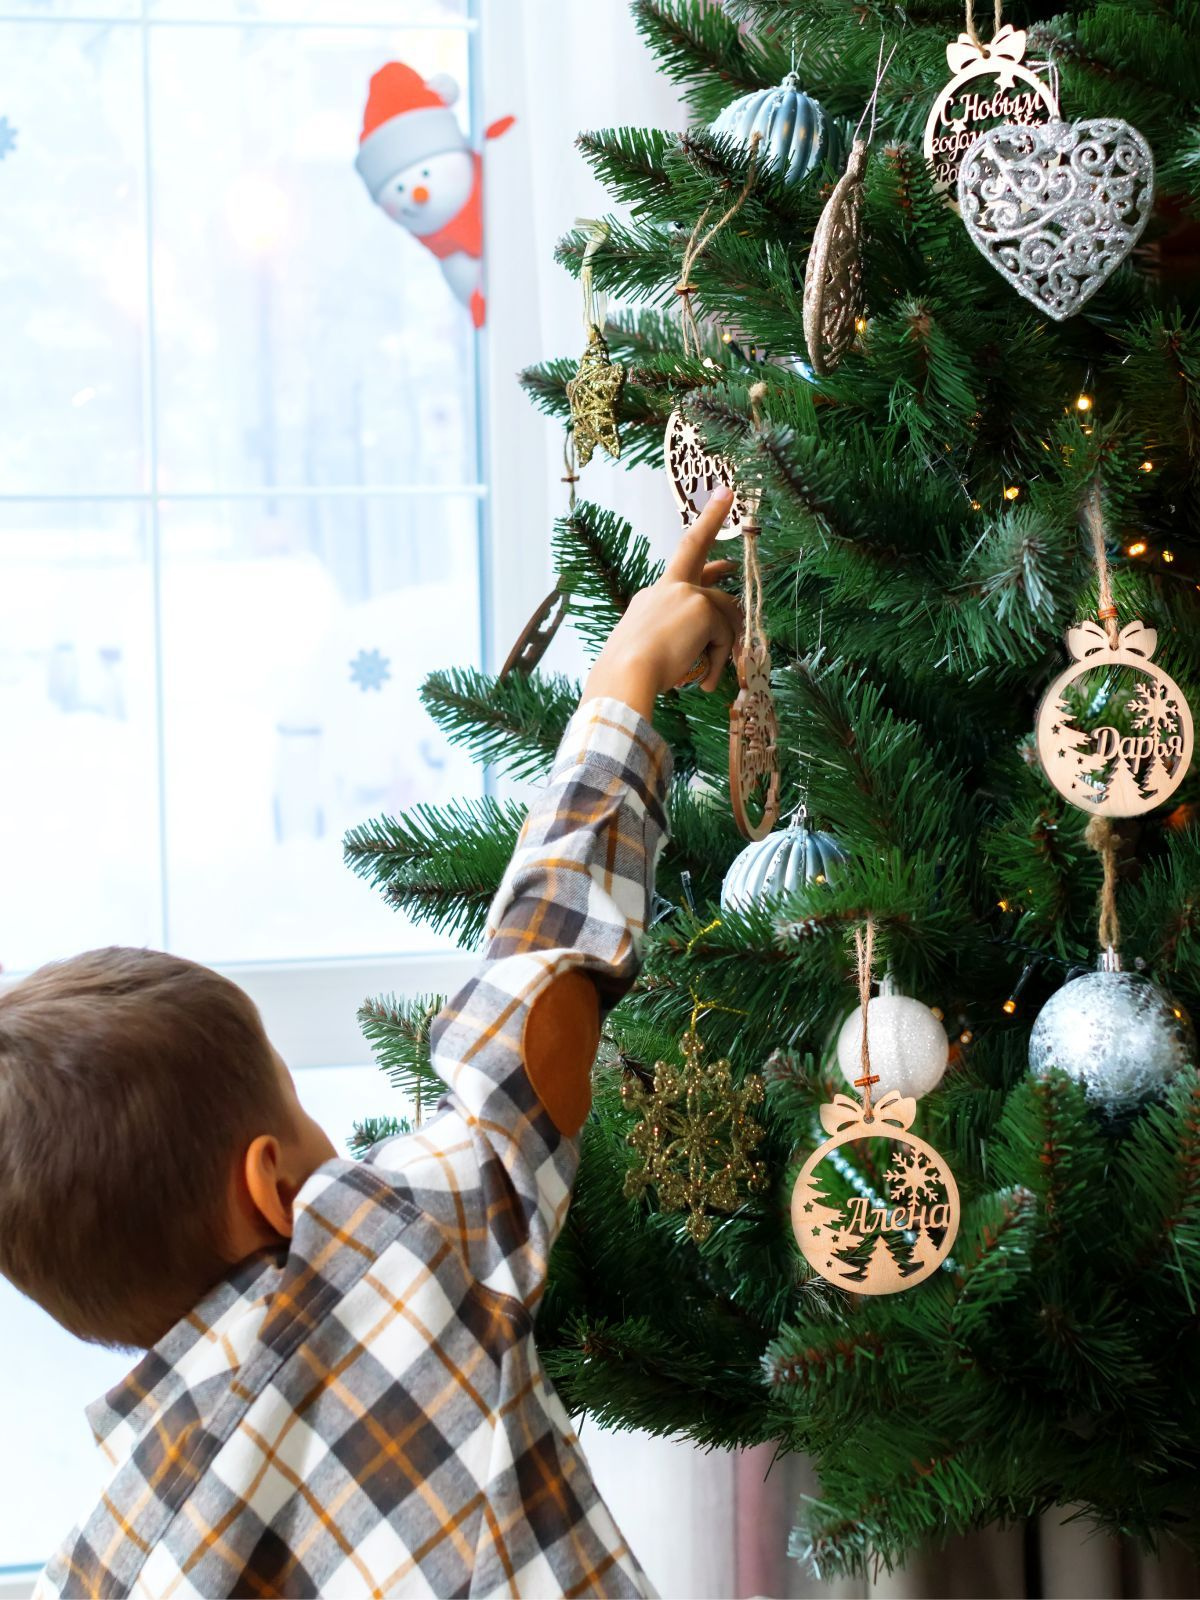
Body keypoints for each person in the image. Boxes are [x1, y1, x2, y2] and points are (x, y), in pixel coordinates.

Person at [6, 488, 742, 1599]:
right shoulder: (383, 1257)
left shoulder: (107, 1563)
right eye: (304, 1114)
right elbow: (531, 994)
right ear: (271, 1184)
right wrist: (624, 680)